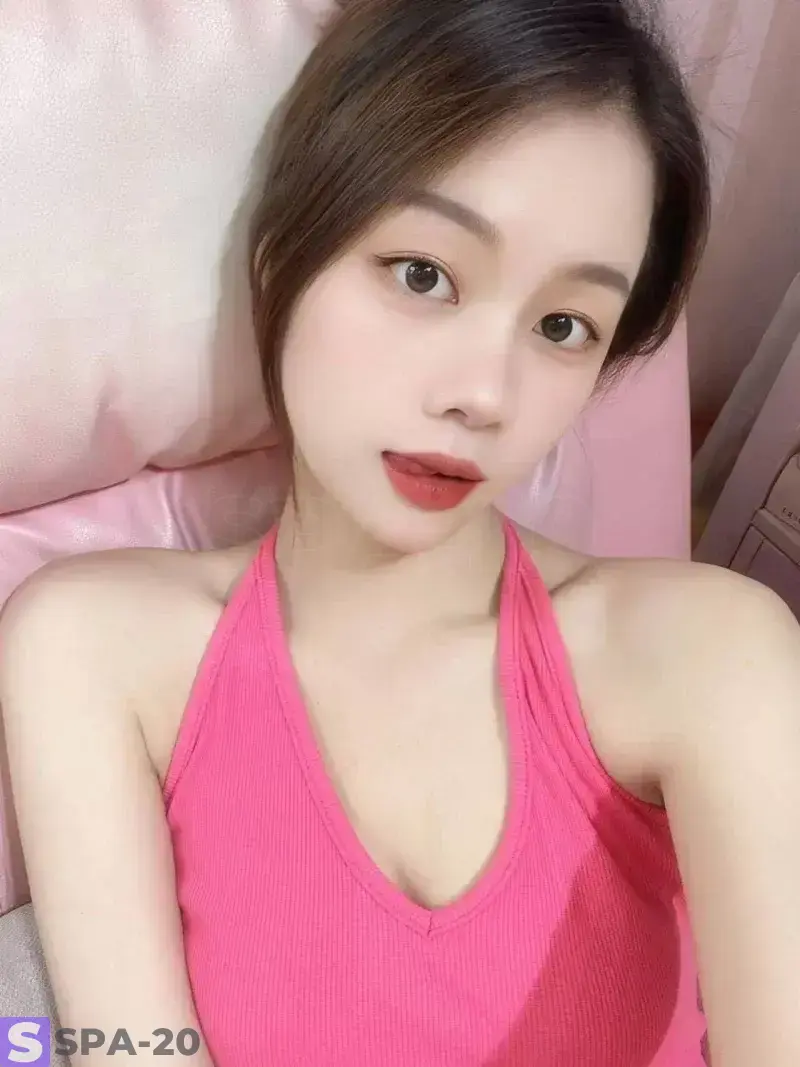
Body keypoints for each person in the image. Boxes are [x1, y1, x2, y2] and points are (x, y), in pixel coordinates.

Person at [1, 0, 798, 1064]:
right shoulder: (92, 645)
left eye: (562, 326)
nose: (485, 394)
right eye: (424, 274)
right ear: (283, 252)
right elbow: (126, 1046)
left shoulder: (704, 651)